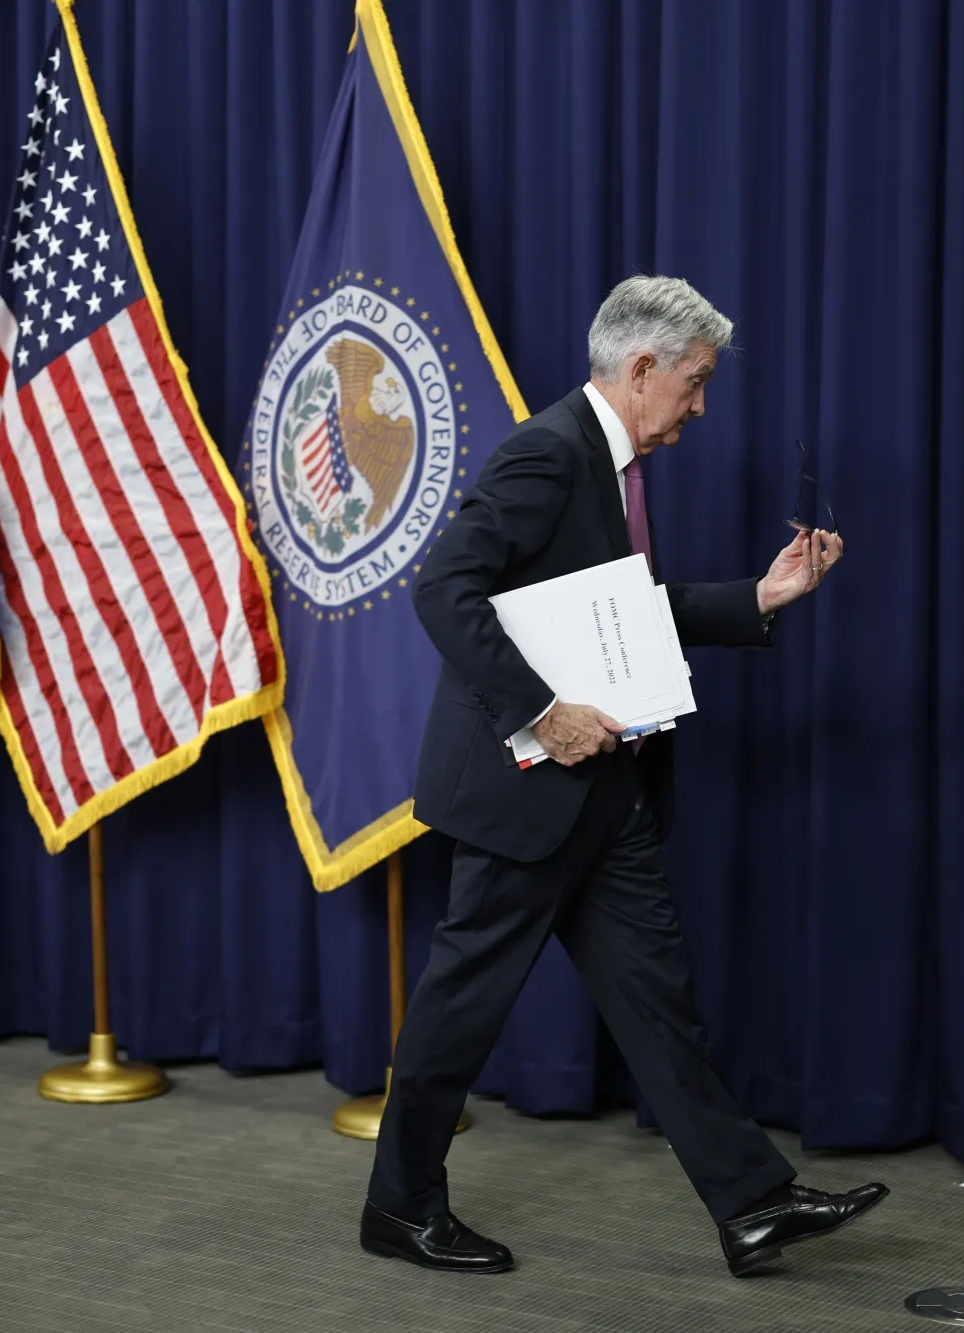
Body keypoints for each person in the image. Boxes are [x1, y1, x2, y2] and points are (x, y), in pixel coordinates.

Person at [359, 275, 887, 1278]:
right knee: (459, 1006)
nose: (697, 410)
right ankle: (398, 1205)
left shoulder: (610, 464)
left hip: (606, 791)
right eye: (691, 385)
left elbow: (623, 612)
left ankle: (751, 1204)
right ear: (639, 368)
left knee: (657, 1002)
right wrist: (541, 712)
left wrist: (759, 595)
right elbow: (443, 588)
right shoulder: (548, 455)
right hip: (526, 789)